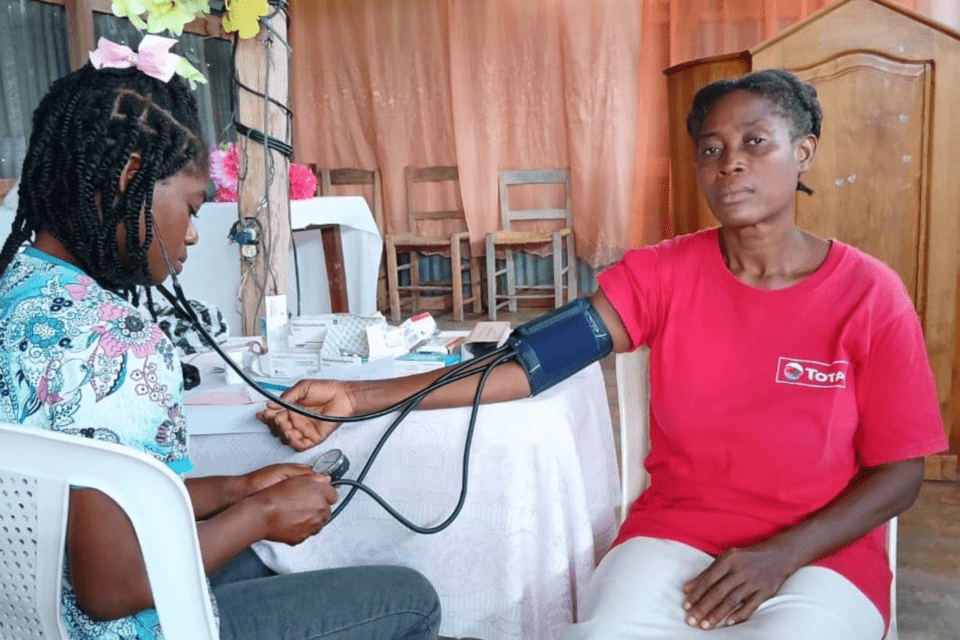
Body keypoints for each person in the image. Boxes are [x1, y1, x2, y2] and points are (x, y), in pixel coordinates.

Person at [257, 69, 947, 640]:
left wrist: (782, 556)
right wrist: (357, 399)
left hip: (818, 555)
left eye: (755, 141)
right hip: (676, 536)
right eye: (710, 148)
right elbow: (527, 365)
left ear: (804, 152)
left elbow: (900, 473)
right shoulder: (664, 274)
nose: (729, 160)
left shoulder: (868, 295)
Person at [0, 41, 441, 640]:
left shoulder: (18, 292)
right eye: (192, 207)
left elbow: (103, 499)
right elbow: (110, 587)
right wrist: (259, 515)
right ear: (132, 177)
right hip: (122, 628)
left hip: (29, 616)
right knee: (409, 600)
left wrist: (239, 490)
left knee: (256, 563)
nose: (193, 236)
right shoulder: (113, 338)